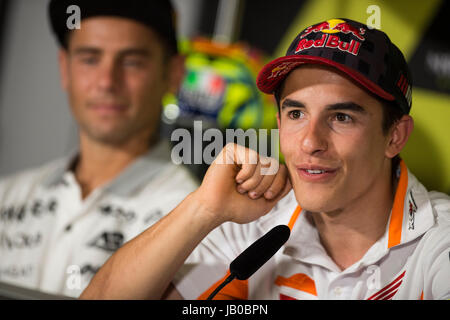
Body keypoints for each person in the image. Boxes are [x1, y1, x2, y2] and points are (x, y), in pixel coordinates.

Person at [81, 18, 450, 300]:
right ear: (278, 122)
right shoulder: (249, 221)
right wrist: (202, 210)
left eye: (341, 117)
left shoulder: (440, 241)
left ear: (395, 136)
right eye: (296, 114)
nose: (310, 142)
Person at [0, 0, 198, 298]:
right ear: (64, 68)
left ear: (173, 73)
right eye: (90, 58)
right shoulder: (6, 195)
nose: (107, 82)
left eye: (132, 61)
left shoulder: (196, 217)